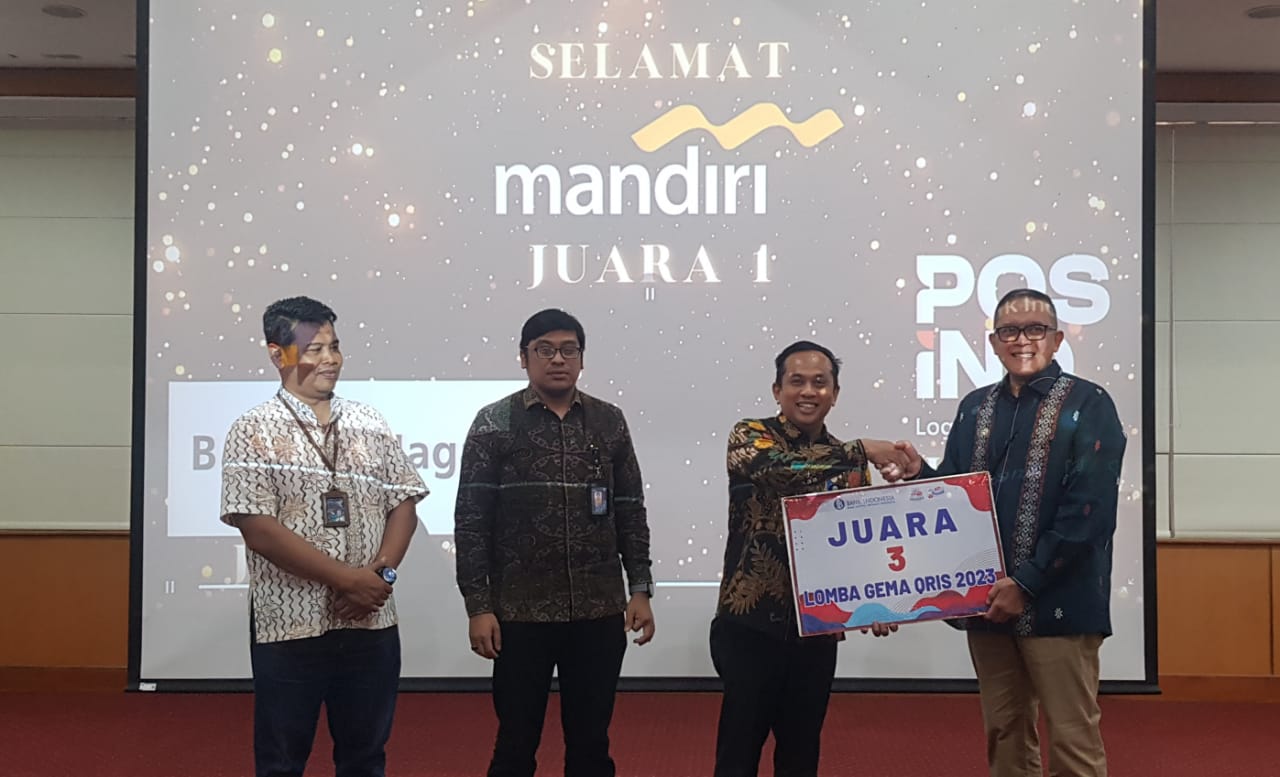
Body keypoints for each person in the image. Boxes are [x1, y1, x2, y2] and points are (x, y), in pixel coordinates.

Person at [882, 288, 1125, 777]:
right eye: (1010, 331)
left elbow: (1089, 512)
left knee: (1073, 740)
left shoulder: (1089, 403)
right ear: (994, 343)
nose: (1022, 340)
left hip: (1060, 603)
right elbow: (956, 497)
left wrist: (1026, 583)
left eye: (1035, 329)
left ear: (1057, 340)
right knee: (1005, 734)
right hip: (988, 603)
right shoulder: (976, 408)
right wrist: (919, 474)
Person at [220, 296, 428, 777]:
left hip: (371, 621)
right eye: (314, 349)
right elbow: (258, 529)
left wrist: (379, 578)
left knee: (366, 757)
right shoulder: (251, 429)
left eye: (334, 347)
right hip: (289, 627)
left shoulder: (369, 421)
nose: (330, 359)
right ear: (278, 354)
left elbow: (404, 503)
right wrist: (348, 581)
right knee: (282, 761)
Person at [454, 308, 655, 777]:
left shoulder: (608, 420)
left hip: (598, 610)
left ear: (582, 358)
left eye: (569, 350)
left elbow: (630, 509)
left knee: (591, 741)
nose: (558, 359)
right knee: (516, 741)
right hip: (519, 613)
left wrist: (640, 588)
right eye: (544, 350)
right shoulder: (493, 422)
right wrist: (478, 606)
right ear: (523, 357)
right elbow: (471, 520)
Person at [712, 340, 904, 777]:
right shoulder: (750, 435)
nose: (808, 391)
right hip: (750, 626)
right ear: (777, 390)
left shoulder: (852, 464)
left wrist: (877, 599)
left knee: (801, 754)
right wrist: (859, 450)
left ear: (835, 394)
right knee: (738, 754)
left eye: (820, 382)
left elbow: (858, 542)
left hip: (815, 633)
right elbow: (781, 469)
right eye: (796, 381)